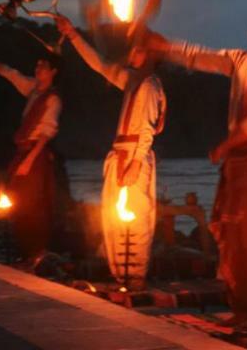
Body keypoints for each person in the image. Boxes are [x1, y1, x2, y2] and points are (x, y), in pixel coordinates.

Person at [145, 4, 247, 330]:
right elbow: (200, 56)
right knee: (230, 232)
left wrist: (226, 146)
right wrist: (164, 46)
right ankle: (242, 306)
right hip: (237, 161)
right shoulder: (242, 60)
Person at [57, 15, 164, 290]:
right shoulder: (132, 82)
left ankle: (135, 277)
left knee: (136, 217)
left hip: (134, 158)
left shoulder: (150, 85)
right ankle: (120, 277)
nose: (132, 53)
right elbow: (100, 65)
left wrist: (135, 163)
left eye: (139, 49)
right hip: (120, 156)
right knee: (113, 216)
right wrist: (73, 35)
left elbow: (147, 131)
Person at [0, 45, 64, 261]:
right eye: (37, 65)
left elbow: (46, 134)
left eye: (43, 66)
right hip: (24, 151)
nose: (38, 69)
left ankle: (36, 254)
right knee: (19, 201)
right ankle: (25, 252)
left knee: (33, 204)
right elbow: (8, 72)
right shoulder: (33, 90)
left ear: (53, 71)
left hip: (35, 155)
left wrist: (28, 161)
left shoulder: (53, 99)